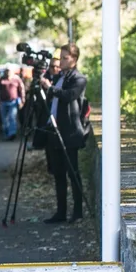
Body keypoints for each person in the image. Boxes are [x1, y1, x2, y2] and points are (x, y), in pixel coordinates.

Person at [41, 43, 88, 224]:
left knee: (73, 173)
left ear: (74, 60)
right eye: (60, 57)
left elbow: (70, 95)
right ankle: (61, 212)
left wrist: (50, 88)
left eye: (65, 58)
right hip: (55, 131)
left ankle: (77, 212)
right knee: (58, 174)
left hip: (69, 133)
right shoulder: (60, 77)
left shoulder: (79, 78)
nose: (61, 61)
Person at [0, 67, 24, 140]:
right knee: (4, 119)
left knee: (12, 117)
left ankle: (12, 134)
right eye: (6, 71)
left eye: (9, 71)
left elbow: (21, 89)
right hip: (3, 101)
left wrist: (22, 100)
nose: (8, 73)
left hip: (13, 101)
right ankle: (6, 133)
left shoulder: (17, 79)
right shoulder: (1, 79)